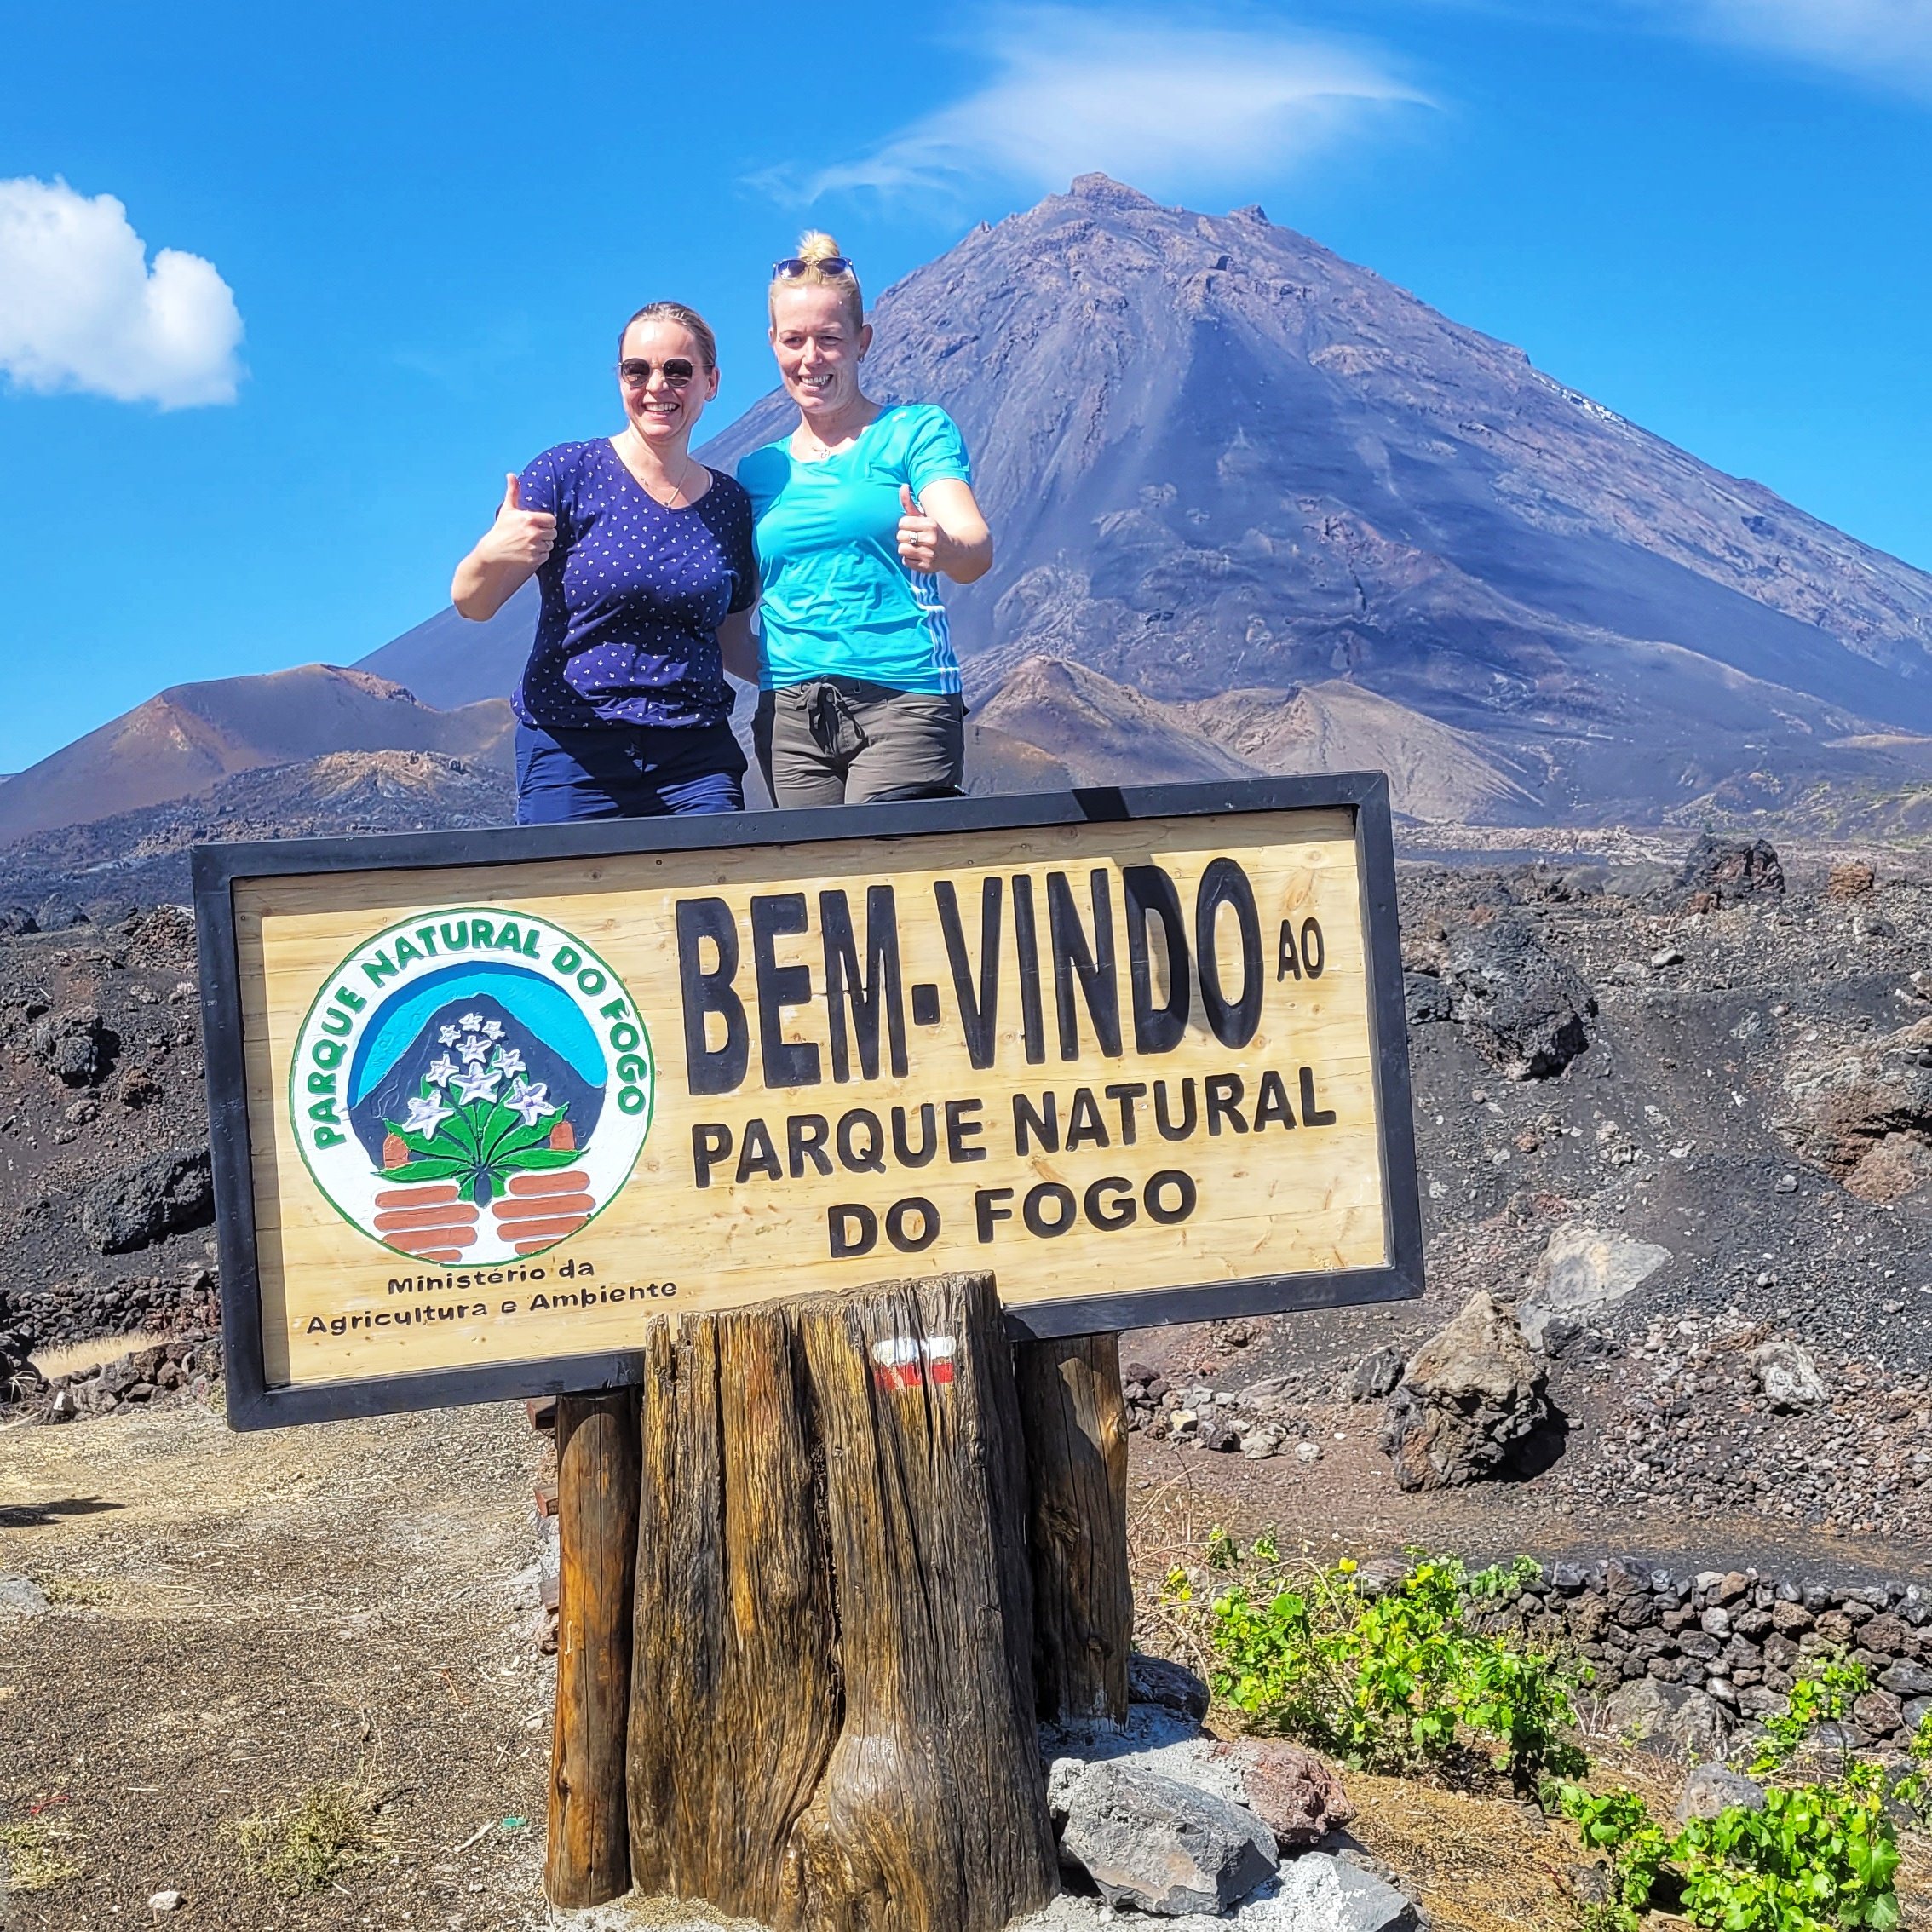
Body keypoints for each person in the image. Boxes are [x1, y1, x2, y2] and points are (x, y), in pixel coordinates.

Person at [451, 301, 756, 822]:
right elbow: (472, 603)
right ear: (620, 380)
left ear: (711, 382)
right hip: (572, 750)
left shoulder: (730, 504)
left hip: (696, 758)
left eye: (678, 371)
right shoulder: (564, 475)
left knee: (710, 898)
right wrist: (491, 553)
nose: (657, 386)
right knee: (565, 901)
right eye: (637, 370)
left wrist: (826, 671)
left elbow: (731, 641)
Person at [738, 233, 993, 806]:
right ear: (773, 344)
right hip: (790, 721)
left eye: (829, 339)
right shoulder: (759, 471)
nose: (812, 358)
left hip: (904, 701)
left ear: (862, 342)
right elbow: (733, 618)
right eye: (794, 340)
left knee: (880, 866)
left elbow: (974, 546)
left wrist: (943, 547)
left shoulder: (915, 432)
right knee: (818, 885)